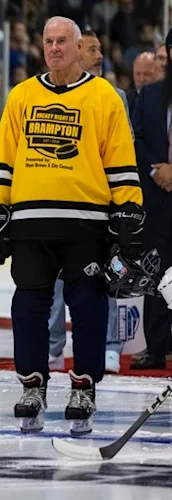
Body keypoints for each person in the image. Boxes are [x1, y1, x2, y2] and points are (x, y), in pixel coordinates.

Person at [0, 16, 142, 435]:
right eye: (48, 41)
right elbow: (4, 160)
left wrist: (127, 212)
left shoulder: (103, 96)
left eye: (62, 42)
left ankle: (84, 385)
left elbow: (121, 160)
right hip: (31, 222)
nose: (54, 48)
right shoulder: (21, 96)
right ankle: (33, 383)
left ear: (78, 46)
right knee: (28, 306)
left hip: (86, 224)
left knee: (88, 307)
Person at [47, 29, 132, 374]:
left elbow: (122, 153)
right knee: (52, 283)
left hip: (99, 206)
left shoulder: (114, 96)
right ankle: (52, 347)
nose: (99, 55)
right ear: (77, 50)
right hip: (58, 204)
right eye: (92, 48)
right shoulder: (49, 94)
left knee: (103, 280)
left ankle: (110, 346)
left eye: (100, 49)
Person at [128, 28, 172, 371]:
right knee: (154, 273)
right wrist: (158, 171)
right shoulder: (151, 94)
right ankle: (155, 347)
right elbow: (137, 138)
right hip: (156, 200)